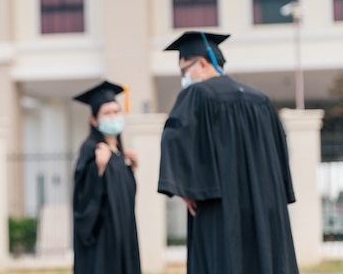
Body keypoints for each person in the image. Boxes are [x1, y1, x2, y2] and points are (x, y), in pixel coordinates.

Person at [158, 31, 298, 274]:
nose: (184, 78)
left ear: (201, 64)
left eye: (184, 71)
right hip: (265, 207)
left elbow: (175, 138)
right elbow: (280, 153)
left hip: (222, 207)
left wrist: (188, 190)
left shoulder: (197, 94)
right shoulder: (261, 100)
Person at [71, 80, 141, 274]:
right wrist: (98, 169)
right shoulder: (91, 150)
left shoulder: (119, 154)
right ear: (94, 120)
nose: (114, 117)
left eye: (117, 112)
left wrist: (131, 170)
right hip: (103, 238)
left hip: (123, 234)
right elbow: (81, 200)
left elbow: (124, 200)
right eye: (107, 113)